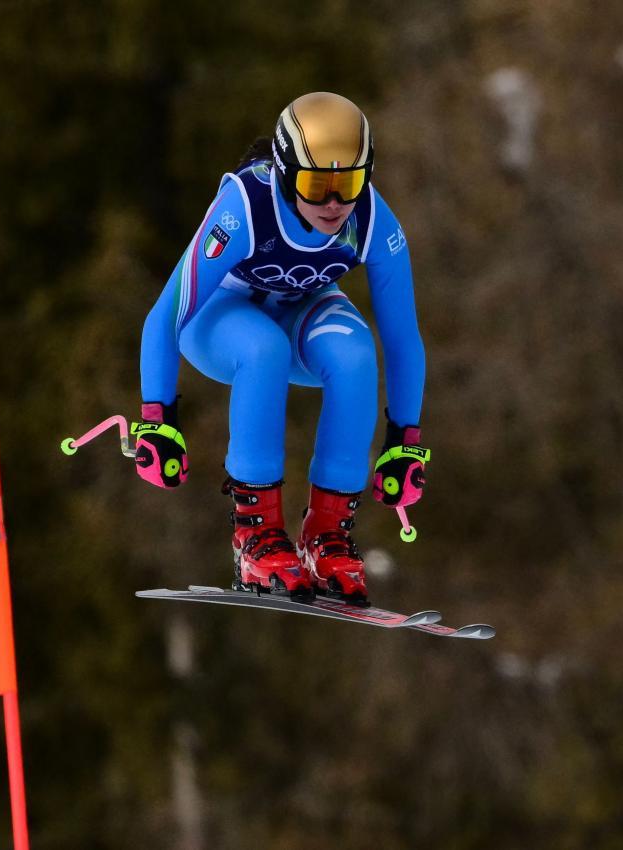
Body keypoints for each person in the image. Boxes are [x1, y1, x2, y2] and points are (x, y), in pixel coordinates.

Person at [134, 91, 429, 606]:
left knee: (355, 354)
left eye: (350, 183)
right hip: (218, 320)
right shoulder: (246, 205)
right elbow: (166, 314)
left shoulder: (372, 221)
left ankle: (327, 536)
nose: (335, 203)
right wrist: (158, 417)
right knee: (263, 348)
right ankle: (255, 534)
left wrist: (405, 440)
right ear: (287, 173)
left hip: (299, 309)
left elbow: (403, 339)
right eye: (318, 186)